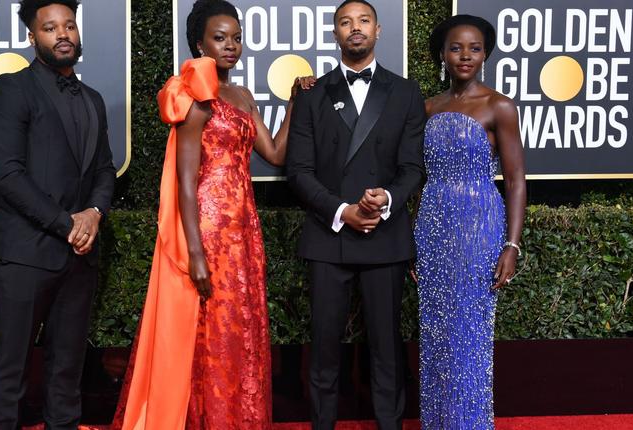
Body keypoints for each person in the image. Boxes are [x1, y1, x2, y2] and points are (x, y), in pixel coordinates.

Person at [112, 1, 314, 429]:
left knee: (235, 331)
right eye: (220, 38)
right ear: (199, 42)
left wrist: (294, 101)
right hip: (205, 229)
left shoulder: (242, 96)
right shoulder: (195, 95)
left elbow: (275, 153)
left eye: (237, 38)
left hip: (243, 230)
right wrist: (196, 253)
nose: (231, 46)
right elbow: (185, 182)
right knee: (202, 332)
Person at [286, 0, 426, 428]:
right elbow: (299, 171)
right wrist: (343, 210)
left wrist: (384, 201)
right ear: (335, 34)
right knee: (324, 352)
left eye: (363, 20)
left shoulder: (405, 92)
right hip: (329, 238)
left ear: (378, 30)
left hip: (385, 240)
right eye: (346, 22)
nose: (356, 28)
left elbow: (413, 168)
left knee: (387, 350)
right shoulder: (312, 94)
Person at [0, 0, 116, 429]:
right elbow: (8, 175)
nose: (63, 34)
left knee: (67, 371)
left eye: (70, 26)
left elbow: (104, 170)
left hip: (79, 257)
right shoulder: (10, 88)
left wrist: (94, 213)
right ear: (32, 37)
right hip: (25, 252)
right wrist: (68, 224)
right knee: (11, 368)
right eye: (50, 28)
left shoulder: (93, 100)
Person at [414, 14, 527, 429]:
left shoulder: (499, 106)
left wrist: (511, 245)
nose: (465, 55)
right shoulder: (427, 107)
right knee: (437, 336)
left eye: (474, 48)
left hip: (479, 227)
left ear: (485, 54)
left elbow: (515, 180)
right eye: (456, 47)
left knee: (469, 334)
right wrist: (412, 238)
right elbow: (417, 178)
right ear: (442, 54)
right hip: (431, 227)